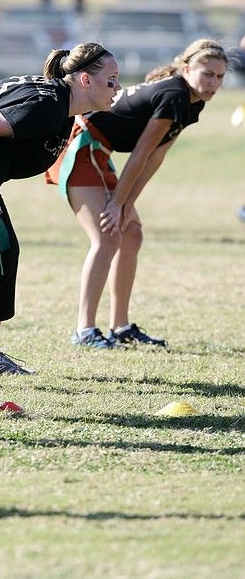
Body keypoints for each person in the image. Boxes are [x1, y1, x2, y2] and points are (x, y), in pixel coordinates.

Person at [0, 42, 121, 373]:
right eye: (111, 80)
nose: (117, 88)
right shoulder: (50, 106)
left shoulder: (60, 103)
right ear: (85, 80)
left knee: (5, 251)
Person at [45, 39, 228, 348]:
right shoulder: (174, 94)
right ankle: (84, 331)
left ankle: (120, 326)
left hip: (99, 152)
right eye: (207, 73)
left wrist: (127, 203)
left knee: (131, 234)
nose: (213, 82)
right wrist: (117, 203)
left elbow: (157, 155)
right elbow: (141, 153)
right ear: (186, 69)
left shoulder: (193, 101)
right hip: (81, 145)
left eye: (220, 77)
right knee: (107, 236)